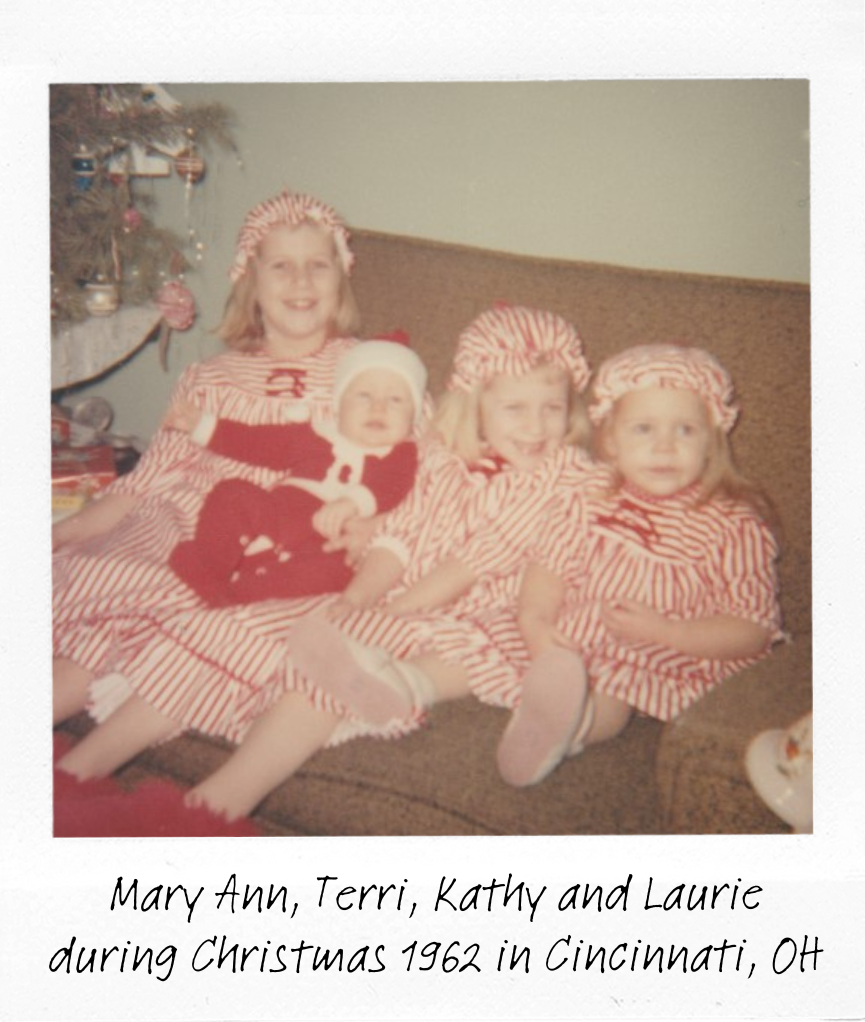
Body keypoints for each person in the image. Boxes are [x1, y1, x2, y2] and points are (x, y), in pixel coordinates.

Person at [52, 188, 372, 799]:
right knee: (122, 583)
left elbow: (406, 461)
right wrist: (74, 528)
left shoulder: (367, 368)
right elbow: (155, 474)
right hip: (188, 519)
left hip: (288, 536)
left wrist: (375, 529)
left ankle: (78, 780)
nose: (301, 280)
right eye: (281, 265)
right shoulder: (213, 375)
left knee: (222, 621)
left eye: (318, 264)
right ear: (250, 281)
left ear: (341, 280)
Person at [284, 303, 595, 771]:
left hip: (495, 602)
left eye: (553, 408)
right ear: (474, 405)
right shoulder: (441, 455)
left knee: (482, 641)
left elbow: (474, 564)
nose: (536, 427)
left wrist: (392, 613)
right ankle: (365, 691)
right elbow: (402, 535)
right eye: (515, 408)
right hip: (420, 590)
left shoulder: (560, 475)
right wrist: (358, 599)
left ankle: (405, 687)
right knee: (335, 624)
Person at [497, 343, 785, 786]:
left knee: (613, 686)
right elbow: (548, 566)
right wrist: (534, 621)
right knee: (483, 638)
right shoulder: (588, 496)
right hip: (569, 641)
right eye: (644, 429)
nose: (664, 447)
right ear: (610, 440)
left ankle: (570, 727)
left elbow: (753, 629)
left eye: (685, 430)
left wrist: (666, 632)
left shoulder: (733, 524)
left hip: (660, 653)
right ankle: (429, 685)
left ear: (712, 439)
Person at [165, 339, 426, 606]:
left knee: (335, 573)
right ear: (339, 405)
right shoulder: (317, 433)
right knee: (232, 493)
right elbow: (257, 443)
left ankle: (241, 595)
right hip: (277, 516)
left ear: (413, 416)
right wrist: (202, 425)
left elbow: (394, 485)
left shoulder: (404, 454)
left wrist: (352, 503)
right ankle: (210, 566)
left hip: (327, 541)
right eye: (363, 395)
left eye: (396, 399)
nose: (378, 407)